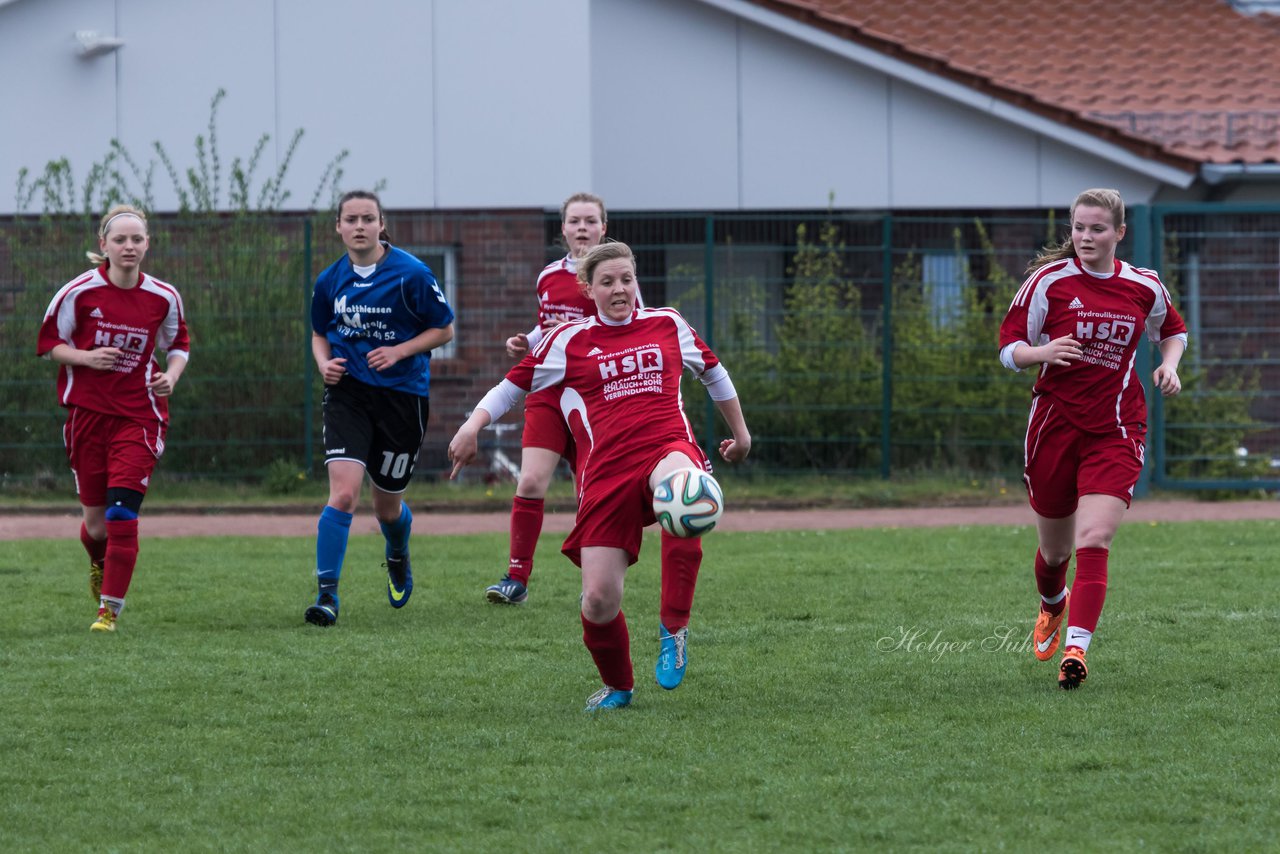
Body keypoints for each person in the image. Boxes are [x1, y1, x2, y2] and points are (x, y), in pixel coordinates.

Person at [449, 241, 751, 711]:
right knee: (597, 600)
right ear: (588, 289)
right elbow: (510, 388)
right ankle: (620, 686)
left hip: (665, 446)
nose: (619, 289)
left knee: (686, 493)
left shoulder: (667, 324)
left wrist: (742, 435)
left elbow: (713, 372)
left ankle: (674, 627)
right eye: (607, 282)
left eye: (626, 279)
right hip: (607, 475)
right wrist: (472, 426)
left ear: (637, 282)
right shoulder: (567, 341)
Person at [998, 188, 1187, 689]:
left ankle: (1076, 652)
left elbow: (1173, 330)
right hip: (1054, 427)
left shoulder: (1143, 285)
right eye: (1078, 227)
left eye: (1097, 228)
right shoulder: (1048, 282)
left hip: (1117, 428)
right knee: (1056, 553)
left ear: (1119, 233)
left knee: (1094, 539)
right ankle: (1051, 604)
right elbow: (1008, 348)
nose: (1085, 237)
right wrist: (1041, 353)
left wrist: (1169, 365)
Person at [36, 204, 191, 632]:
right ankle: (98, 562)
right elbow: (49, 345)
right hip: (87, 417)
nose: (129, 246)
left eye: (136, 239)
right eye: (120, 239)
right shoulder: (78, 293)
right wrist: (86, 356)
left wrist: (171, 377)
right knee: (96, 525)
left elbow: (178, 345)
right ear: (103, 244)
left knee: (122, 515)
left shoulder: (163, 296)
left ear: (147, 245)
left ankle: (108, 611)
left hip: (140, 415)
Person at [306, 190, 455, 626]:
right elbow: (319, 333)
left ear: (381, 223)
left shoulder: (411, 273)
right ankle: (327, 596)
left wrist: (399, 350)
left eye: (367, 218)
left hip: (402, 397)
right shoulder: (329, 280)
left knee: (386, 508)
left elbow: (444, 330)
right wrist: (323, 365)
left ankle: (397, 551)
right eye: (350, 219)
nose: (358, 226)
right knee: (345, 493)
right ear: (338, 226)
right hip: (348, 394)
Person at [485, 192, 615, 605]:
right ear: (563, 228)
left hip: (593, 395)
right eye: (574, 221)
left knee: (589, 489)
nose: (582, 228)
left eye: (590, 221)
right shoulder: (547, 277)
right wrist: (529, 339)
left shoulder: (615, 276)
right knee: (531, 479)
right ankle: (516, 578)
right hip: (548, 391)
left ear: (603, 228)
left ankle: (596, 581)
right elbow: (550, 327)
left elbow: (630, 327)